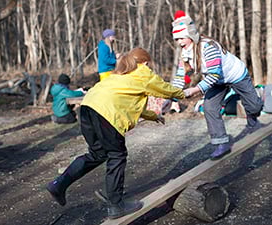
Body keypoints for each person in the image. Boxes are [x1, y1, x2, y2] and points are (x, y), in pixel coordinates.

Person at [46, 47, 185, 219]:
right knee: (117, 156)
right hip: (106, 115)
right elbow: (166, 89)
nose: (150, 67)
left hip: (87, 110)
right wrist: (184, 93)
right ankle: (116, 205)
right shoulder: (142, 72)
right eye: (149, 64)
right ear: (145, 62)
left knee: (97, 154)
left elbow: (127, 104)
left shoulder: (118, 75)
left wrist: (152, 116)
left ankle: (58, 185)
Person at [169, 10, 263, 160]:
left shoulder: (208, 47)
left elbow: (214, 74)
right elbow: (180, 76)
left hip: (235, 75)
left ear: (191, 35)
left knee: (254, 107)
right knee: (209, 107)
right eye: (177, 39)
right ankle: (221, 143)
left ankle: (252, 114)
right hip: (218, 82)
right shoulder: (185, 53)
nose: (179, 43)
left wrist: (195, 89)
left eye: (182, 38)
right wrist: (173, 96)